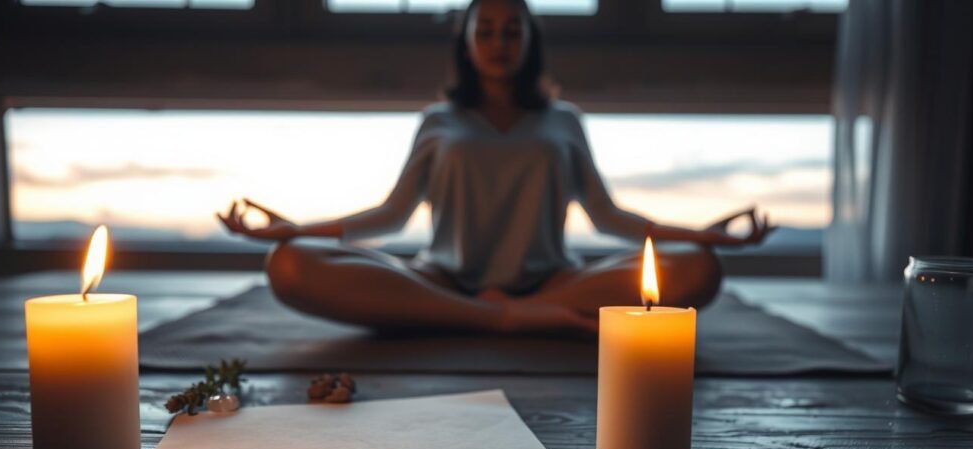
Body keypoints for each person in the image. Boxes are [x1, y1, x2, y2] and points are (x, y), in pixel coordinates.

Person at [219, 0, 772, 337]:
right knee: (289, 264)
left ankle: (503, 312)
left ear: (530, 41)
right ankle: (501, 318)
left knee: (698, 270)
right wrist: (293, 230)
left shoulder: (563, 120)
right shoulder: (439, 120)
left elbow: (611, 218)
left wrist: (705, 237)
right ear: (466, 42)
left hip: (552, 281)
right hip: (440, 279)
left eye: (512, 30)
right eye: (486, 30)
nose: (499, 41)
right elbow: (390, 216)